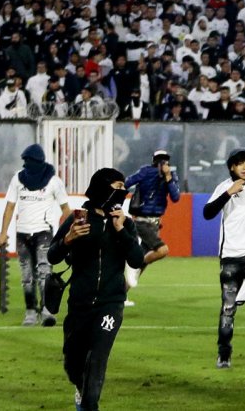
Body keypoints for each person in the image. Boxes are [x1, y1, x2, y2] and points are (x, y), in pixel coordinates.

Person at [47, 168, 145, 411]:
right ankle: (80, 389)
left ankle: (90, 405)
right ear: (103, 187)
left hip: (110, 304)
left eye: (124, 186)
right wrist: (68, 239)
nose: (123, 191)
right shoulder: (77, 218)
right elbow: (52, 255)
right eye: (118, 185)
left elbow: (136, 260)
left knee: (98, 359)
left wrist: (121, 230)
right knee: (73, 361)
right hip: (79, 303)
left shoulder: (125, 223)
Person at [202, 148, 245, 368]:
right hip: (231, 255)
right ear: (232, 167)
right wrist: (228, 192)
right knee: (228, 308)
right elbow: (207, 213)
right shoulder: (224, 186)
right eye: (240, 164)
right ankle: (224, 353)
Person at [0, 143, 70, 327]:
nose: (26, 165)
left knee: (45, 272)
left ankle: (46, 310)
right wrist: (3, 232)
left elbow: (66, 210)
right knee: (26, 275)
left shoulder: (54, 181)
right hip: (22, 233)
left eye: (29, 161)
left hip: (44, 232)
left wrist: (69, 233)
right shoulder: (18, 179)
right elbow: (10, 207)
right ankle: (30, 311)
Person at [123, 149, 181, 296]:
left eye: (165, 160)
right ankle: (133, 266)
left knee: (144, 259)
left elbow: (175, 197)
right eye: (160, 160)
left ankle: (121, 295)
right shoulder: (145, 172)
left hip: (155, 223)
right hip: (142, 221)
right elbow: (127, 183)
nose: (162, 163)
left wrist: (168, 178)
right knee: (161, 250)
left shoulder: (170, 176)